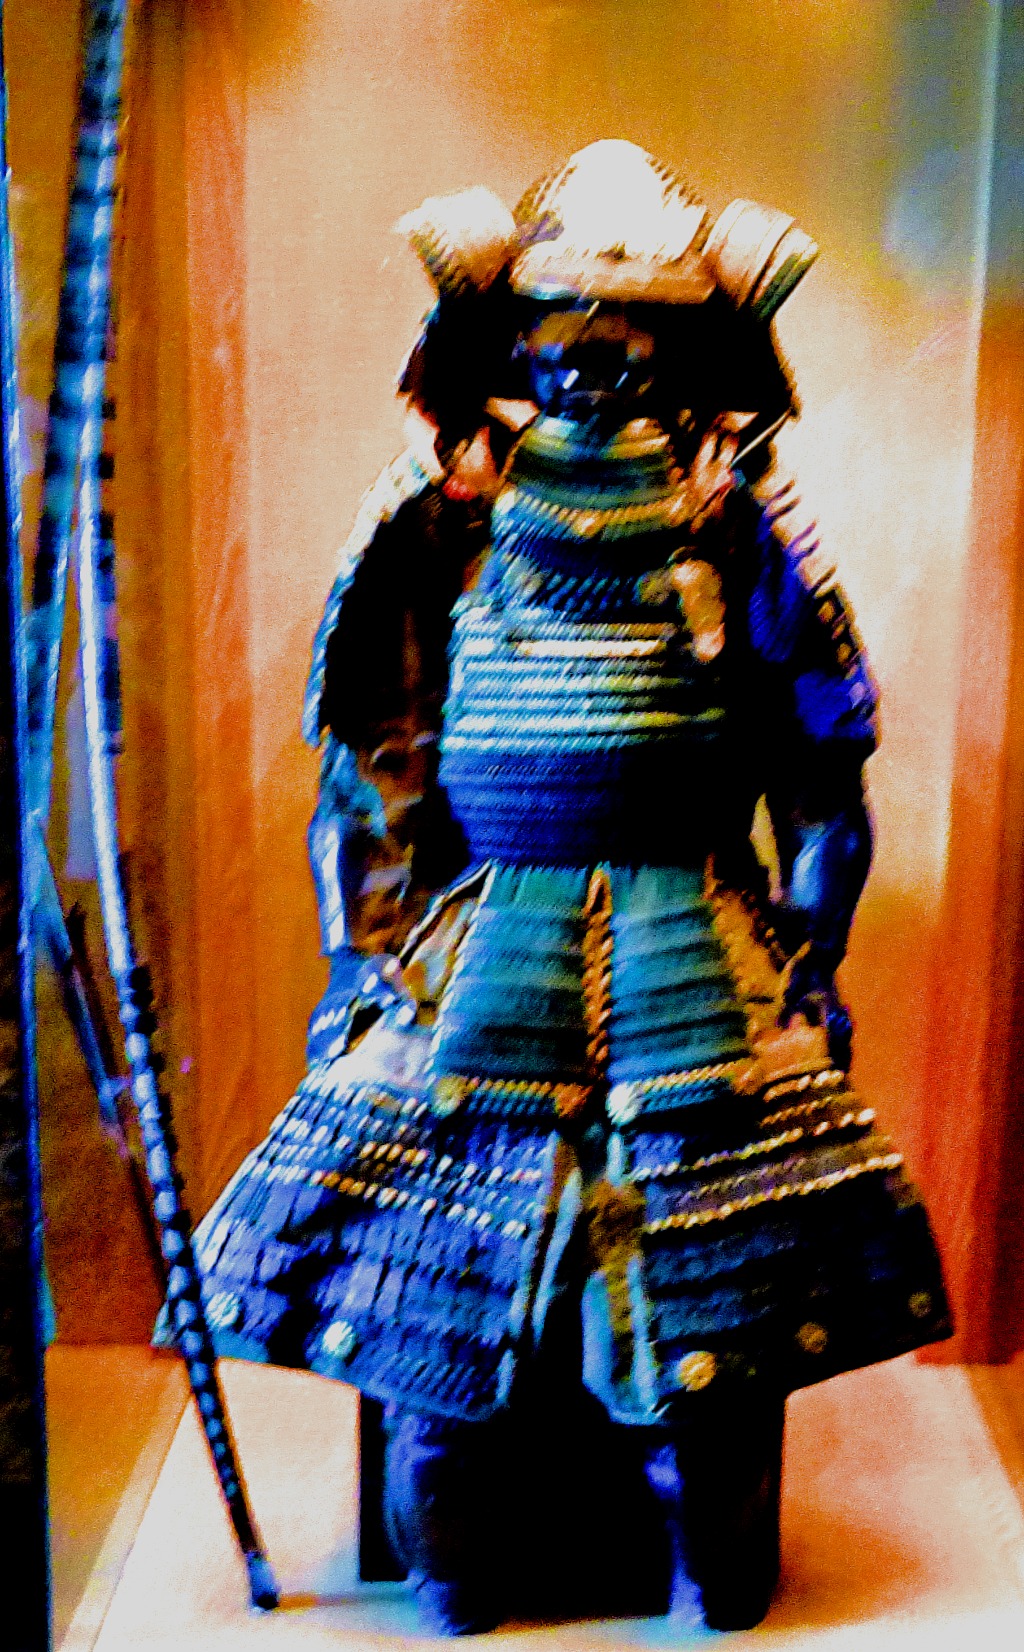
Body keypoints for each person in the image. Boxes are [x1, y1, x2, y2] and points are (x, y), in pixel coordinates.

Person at [184, 142, 950, 1635]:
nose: (595, 353)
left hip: (694, 923)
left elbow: (820, 766)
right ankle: (458, 1564)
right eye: (563, 326)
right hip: (485, 929)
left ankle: (713, 1561)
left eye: (630, 327)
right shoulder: (446, 513)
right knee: (430, 1261)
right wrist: (361, 954)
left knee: (713, 1262)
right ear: (506, 337)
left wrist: (814, 950)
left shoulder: (739, 518)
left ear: (687, 345)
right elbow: (378, 760)